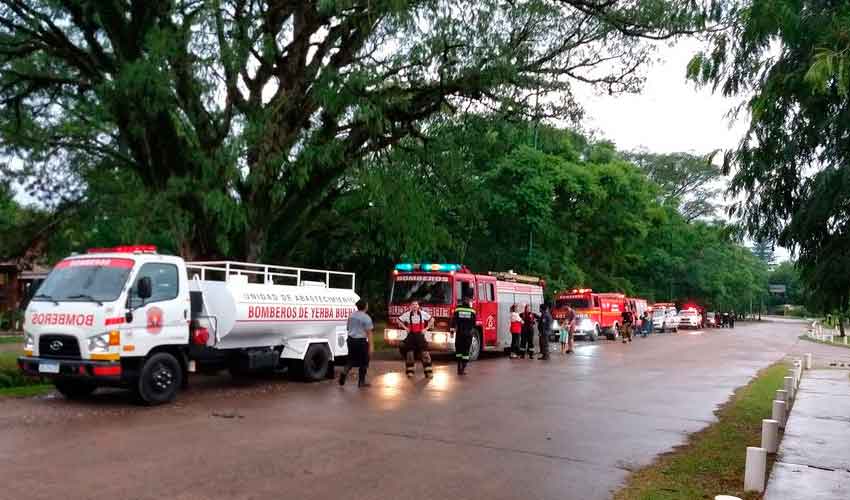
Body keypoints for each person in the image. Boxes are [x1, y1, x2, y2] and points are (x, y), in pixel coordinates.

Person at [339, 299, 373, 388]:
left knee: (350, 359)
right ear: (365, 306)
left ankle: (344, 372)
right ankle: (361, 382)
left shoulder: (351, 316)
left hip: (350, 340)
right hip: (361, 342)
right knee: (364, 362)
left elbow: (347, 328)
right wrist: (371, 346)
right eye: (367, 305)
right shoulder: (366, 318)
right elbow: (369, 333)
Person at [398, 301, 435, 378]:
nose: (414, 306)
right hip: (411, 336)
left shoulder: (423, 313)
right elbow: (398, 320)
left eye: (416, 304)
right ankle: (410, 371)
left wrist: (426, 329)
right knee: (410, 354)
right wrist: (405, 328)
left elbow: (432, 320)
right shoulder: (407, 314)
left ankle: (428, 372)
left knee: (425, 353)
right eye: (413, 305)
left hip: (420, 336)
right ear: (410, 306)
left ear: (418, 306)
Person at [450, 295, 477, 375]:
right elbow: (474, 323)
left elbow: (453, 321)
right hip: (468, 334)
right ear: (469, 302)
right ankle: (463, 368)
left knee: (459, 350)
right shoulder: (472, 311)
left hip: (459, 333)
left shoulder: (457, 309)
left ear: (462, 302)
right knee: (466, 350)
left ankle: (459, 366)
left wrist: (452, 331)